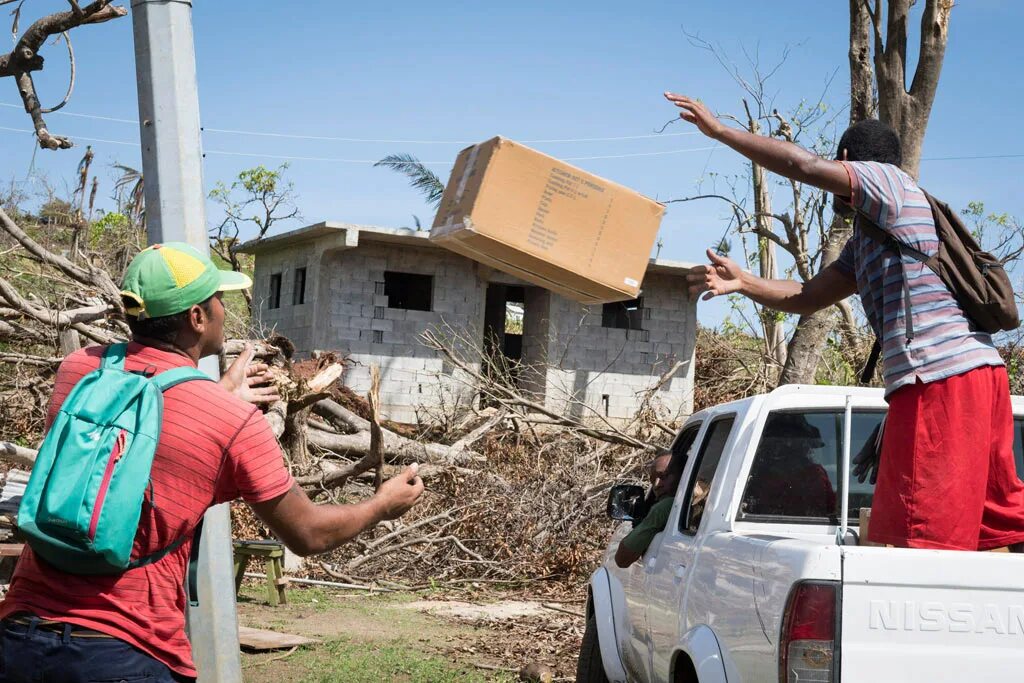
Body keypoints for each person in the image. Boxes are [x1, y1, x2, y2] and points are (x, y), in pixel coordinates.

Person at [0, 242, 425, 682]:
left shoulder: (78, 370)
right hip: (126, 651)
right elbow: (309, 533)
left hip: (21, 636)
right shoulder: (230, 421)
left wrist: (215, 395)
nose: (224, 308)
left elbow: (140, 436)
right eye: (218, 299)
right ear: (197, 318)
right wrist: (381, 505)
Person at [665, 91, 1024, 551]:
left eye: (840, 165)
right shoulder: (871, 237)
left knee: (920, 536)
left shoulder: (889, 185)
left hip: (940, 380)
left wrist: (719, 132)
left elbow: (805, 167)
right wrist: (744, 282)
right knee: (997, 524)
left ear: (849, 161)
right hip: (979, 376)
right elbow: (809, 296)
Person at [615, 458, 683, 568]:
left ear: (683, 475)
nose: (656, 485)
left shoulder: (667, 506)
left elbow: (622, 559)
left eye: (664, 476)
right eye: (652, 480)